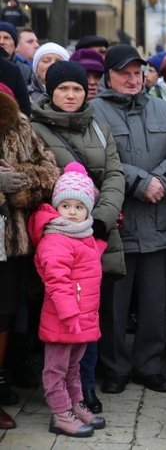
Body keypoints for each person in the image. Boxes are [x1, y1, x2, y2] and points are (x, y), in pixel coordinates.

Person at [91, 44, 166, 395]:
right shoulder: (94, 111)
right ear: (109, 76)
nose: (133, 80)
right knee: (114, 304)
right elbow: (97, 161)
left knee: (153, 302)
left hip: (158, 219)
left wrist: (162, 181)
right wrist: (139, 182)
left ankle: (149, 365)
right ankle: (114, 366)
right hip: (118, 221)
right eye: (124, 73)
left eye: (137, 72)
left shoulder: (164, 109)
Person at [29, 61, 125, 414]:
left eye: (77, 89)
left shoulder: (98, 126)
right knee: (62, 309)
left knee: (89, 309)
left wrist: (101, 220)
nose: (71, 95)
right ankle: (59, 398)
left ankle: (84, 388)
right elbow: (38, 181)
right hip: (60, 233)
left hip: (96, 230)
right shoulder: (36, 128)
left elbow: (115, 173)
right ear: (50, 92)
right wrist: (63, 221)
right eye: (63, 89)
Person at [27, 163, 107, 437]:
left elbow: (85, 269)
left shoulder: (82, 236)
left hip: (81, 318)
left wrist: (99, 247)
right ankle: (60, 413)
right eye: (66, 206)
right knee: (56, 368)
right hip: (64, 319)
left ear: (88, 211)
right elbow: (57, 281)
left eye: (79, 207)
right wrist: (69, 313)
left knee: (74, 366)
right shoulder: (56, 239)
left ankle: (75, 404)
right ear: (56, 207)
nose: (72, 212)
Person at [0, 88, 58, 429]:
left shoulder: (19, 125)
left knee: (3, 317)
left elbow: (50, 172)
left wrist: (17, 181)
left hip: (9, 242)